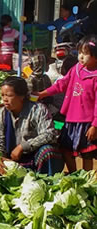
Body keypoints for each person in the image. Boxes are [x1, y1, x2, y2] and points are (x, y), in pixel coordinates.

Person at [38, 35, 97, 172]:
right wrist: (42, 93)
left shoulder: (95, 77)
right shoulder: (76, 69)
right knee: (65, 149)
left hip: (87, 122)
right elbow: (60, 85)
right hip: (70, 119)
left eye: (85, 54)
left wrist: (95, 125)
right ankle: (73, 173)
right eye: (80, 52)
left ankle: (85, 179)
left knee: (86, 153)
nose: (81, 57)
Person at [0, 77, 63, 176]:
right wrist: (0, 156)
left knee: (48, 151)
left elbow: (49, 134)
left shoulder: (38, 110)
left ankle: (48, 181)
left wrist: (23, 146)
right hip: (11, 158)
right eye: (3, 95)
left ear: (21, 96)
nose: (5, 99)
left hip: (34, 156)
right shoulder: (0, 115)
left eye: (9, 95)